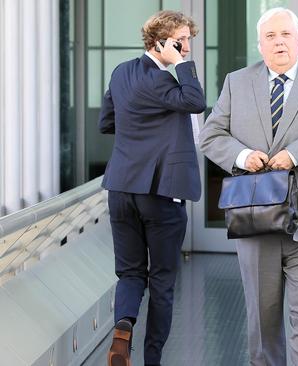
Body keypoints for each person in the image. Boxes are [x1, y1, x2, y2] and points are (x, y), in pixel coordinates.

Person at [199, 7, 298, 366]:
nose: (279, 42)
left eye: (286, 34)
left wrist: (296, 154)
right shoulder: (236, 82)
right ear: (260, 45)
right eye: (270, 36)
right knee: (262, 318)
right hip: (255, 218)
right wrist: (241, 156)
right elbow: (211, 135)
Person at [99, 10, 205, 366]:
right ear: (159, 41)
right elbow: (195, 102)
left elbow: (107, 122)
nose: (186, 48)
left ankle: (123, 327)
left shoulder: (119, 73)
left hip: (121, 189)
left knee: (129, 272)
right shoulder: (164, 80)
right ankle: (152, 360)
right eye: (181, 41)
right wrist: (180, 66)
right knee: (161, 281)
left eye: (188, 41)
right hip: (160, 192)